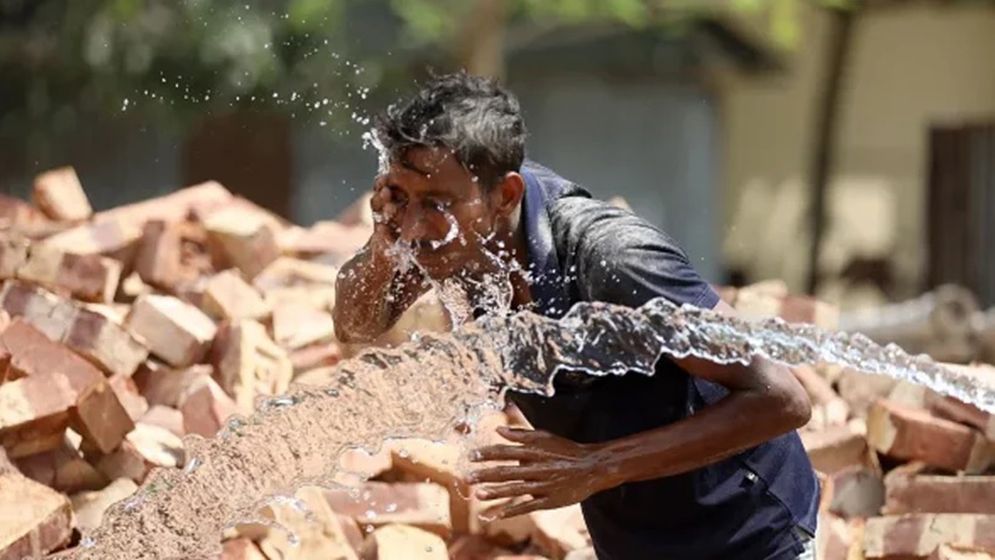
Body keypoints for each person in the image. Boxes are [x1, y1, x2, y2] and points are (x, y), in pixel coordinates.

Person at [333, 72, 819, 560]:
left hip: (751, 533)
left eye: (435, 204)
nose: (415, 226)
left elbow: (781, 400)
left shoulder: (613, 259)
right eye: (400, 197)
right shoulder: (446, 232)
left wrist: (596, 465)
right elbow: (356, 325)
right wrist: (382, 241)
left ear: (506, 195)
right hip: (632, 539)